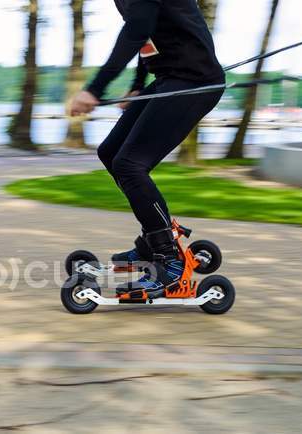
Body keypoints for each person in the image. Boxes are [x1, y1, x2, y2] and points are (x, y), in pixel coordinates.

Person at [68, 0, 225, 297]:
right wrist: (139, 84)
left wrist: (95, 89)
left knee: (130, 164)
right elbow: (146, 33)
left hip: (195, 82)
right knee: (111, 153)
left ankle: (169, 259)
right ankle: (153, 243)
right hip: (170, 79)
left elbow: (136, 31)